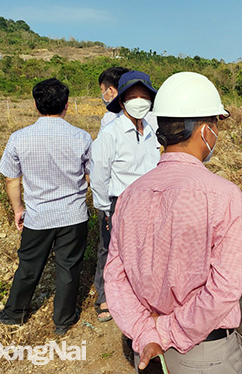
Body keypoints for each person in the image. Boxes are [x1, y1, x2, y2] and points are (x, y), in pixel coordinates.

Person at [104, 72, 242, 374]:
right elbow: (224, 289)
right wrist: (166, 332)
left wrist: (146, 332)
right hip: (204, 354)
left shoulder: (130, 195)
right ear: (205, 131)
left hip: (149, 352)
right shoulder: (223, 195)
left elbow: (116, 279)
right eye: (216, 125)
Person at [0, 78, 92, 336]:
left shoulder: (19, 138)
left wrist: (17, 209)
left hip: (38, 215)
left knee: (29, 266)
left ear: (36, 104)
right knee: (69, 268)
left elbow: (12, 178)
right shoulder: (82, 137)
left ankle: (14, 313)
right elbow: (91, 176)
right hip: (73, 214)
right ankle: (64, 319)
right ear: (66, 105)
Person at [90, 70, 160, 322]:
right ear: (121, 101)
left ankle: (136, 294)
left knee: (144, 250)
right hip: (118, 202)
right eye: (133, 96)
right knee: (109, 249)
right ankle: (104, 296)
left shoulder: (151, 130)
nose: (139, 101)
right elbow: (99, 174)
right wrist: (104, 208)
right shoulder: (111, 133)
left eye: (144, 96)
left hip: (148, 202)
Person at [99, 66, 129, 131]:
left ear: (110, 90)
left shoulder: (109, 117)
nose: (102, 93)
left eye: (102, 89)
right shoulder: (148, 114)